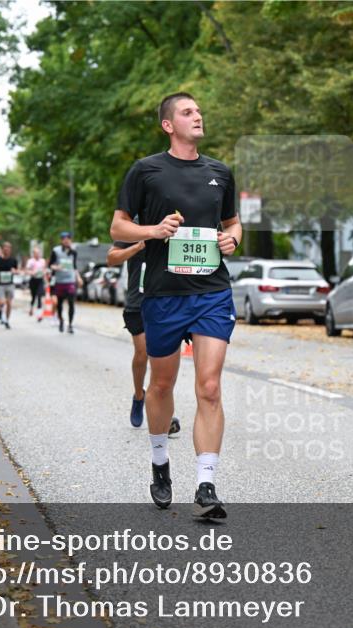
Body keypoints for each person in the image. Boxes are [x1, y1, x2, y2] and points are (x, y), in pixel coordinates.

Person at [110, 92, 242, 519]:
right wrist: (154, 229)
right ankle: (161, 463)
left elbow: (233, 222)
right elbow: (118, 225)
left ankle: (206, 483)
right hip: (164, 294)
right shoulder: (146, 171)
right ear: (169, 125)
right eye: (188, 112)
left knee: (209, 386)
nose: (198, 116)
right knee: (162, 384)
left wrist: (232, 239)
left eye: (199, 111)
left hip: (211, 292)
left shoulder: (220, 172)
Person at [108, 239, 182, 435]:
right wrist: (137, 247)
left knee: (163, 361)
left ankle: (162, 415)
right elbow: (112, 258)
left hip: (163, 303)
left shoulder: (169, 223)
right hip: (137, 304)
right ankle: (139, 396)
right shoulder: (133, 227)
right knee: (142, 353)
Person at [49, 232, 81, 333]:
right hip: (59, 281)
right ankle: (61, 320)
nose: (66, 240)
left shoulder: (74, 252)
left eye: (68, 239)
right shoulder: (56, 251)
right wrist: (57, 267)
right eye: (64, 239)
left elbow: (74, 267)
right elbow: (50, 265)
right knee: (59, 304)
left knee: (71, 303)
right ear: (61, 240)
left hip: (70, 281)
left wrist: (78, 278)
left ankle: (70, 325)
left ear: (71, 240)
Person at [0, 241, 18, 329]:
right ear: (2, 249)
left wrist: (14, 271)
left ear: (10, 250)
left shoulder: (13, 260)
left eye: (8, 248)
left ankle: (6, 320)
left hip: (10, 284)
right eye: (5, 248)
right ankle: (1, 312)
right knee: (2, 302)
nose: (6, 249)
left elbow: (17, 270)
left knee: (9, 303)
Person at [25, 246, 47, 317]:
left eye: (38, 253)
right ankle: (31, 308)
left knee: (40, 295)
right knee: (33, 296)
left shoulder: (43, 261)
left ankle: (39, 312)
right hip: (33, 280)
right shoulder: (30, 261)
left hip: (40, 280)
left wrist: (44, 273)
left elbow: (44, 269)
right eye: (35, 253)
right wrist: (32, 272)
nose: (37, 254)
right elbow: (27, 270)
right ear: (33, 254)